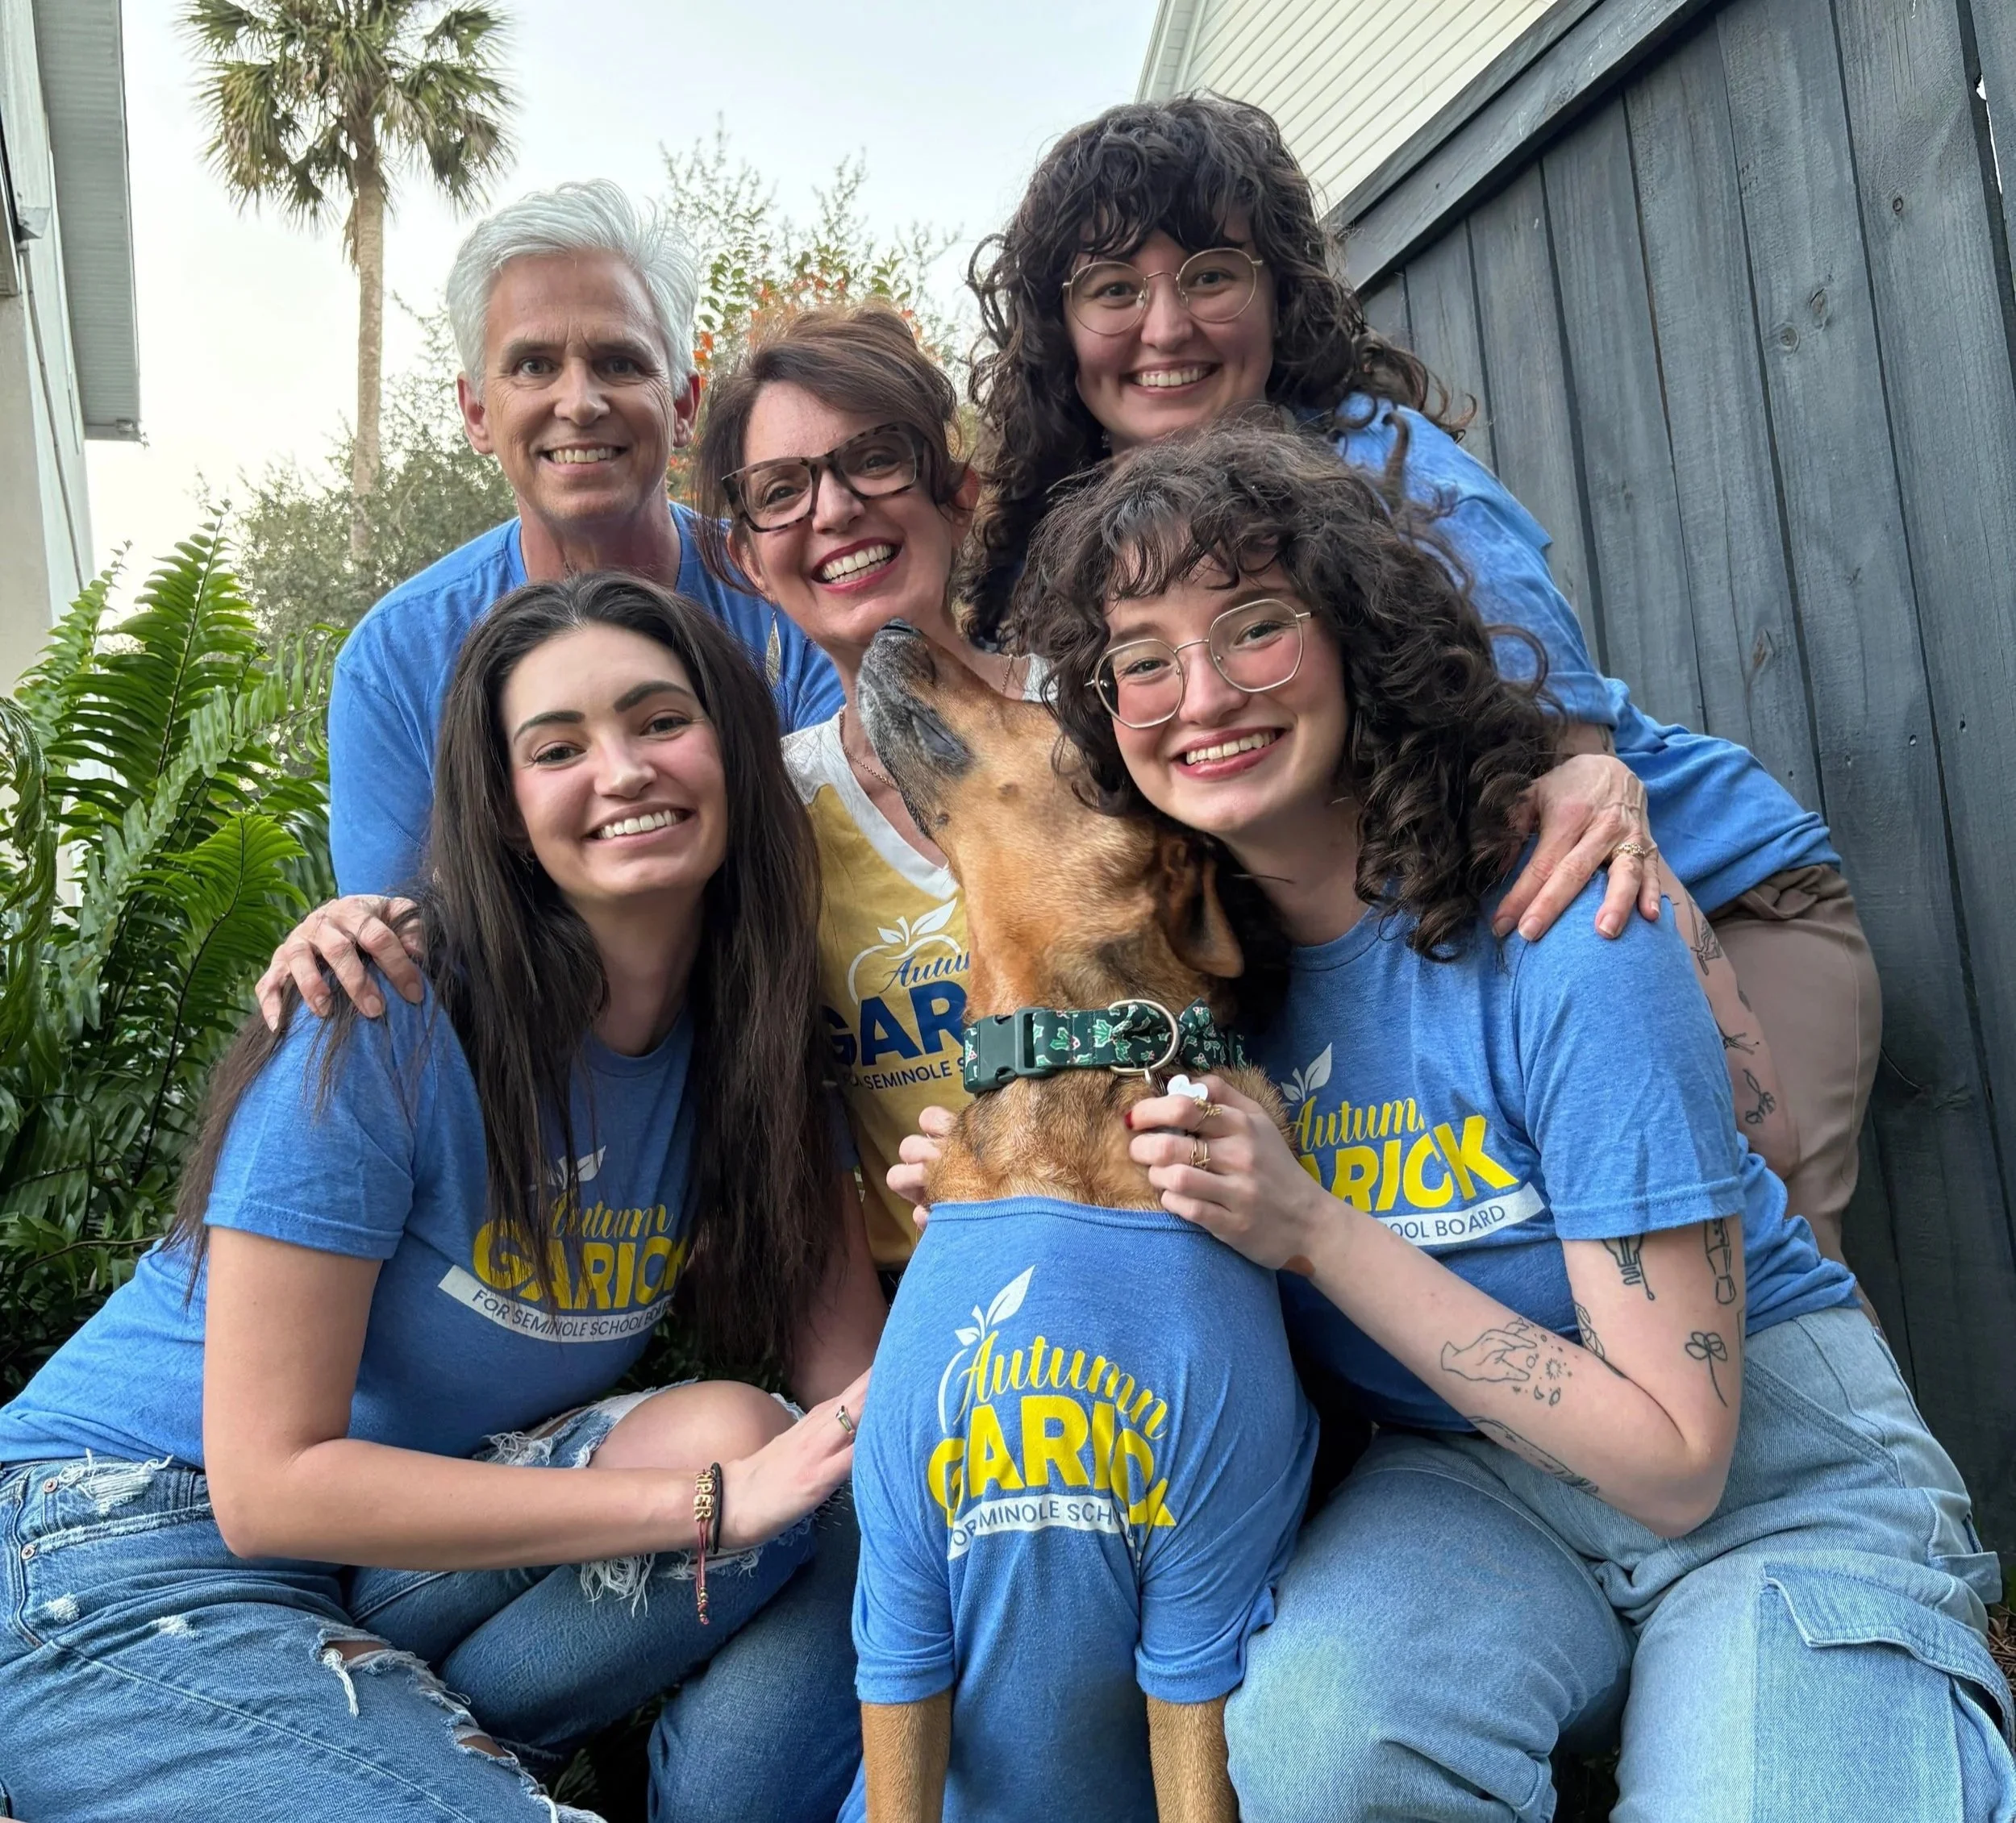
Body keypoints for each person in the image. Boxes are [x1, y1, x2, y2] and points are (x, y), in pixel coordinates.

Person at [1004, 421, 2011, 1821]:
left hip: (1766, 1483)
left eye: (1255, 627)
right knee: (1321, 1747)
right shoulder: (1192, 979)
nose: (1204, 694)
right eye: (1143, 660)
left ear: (1358, 636)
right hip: (1472, 1494)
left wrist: (1316, 1228)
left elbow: (1676, 1461)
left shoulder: (1564, 915)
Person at [0, 576, 881, 1822]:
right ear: (510, 813)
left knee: (778, 1455)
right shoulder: (383, 1014)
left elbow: (858, 1416)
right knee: (731, 1484)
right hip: (122, 1537)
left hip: (384, 1564)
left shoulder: (752, 1053)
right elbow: (269, 1487)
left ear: (736, 752)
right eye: (559, 748)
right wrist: (704, 1508)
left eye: (659, 721)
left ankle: (361, 1757)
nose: (622, 770)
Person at [966, 95, 1876, 1265]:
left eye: (1209, 275)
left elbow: (1579, 790)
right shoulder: (1086, 539)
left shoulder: (1385, 471)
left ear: (1278, 291)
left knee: (1760, 1248)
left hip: (1699, 892)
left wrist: (1740, 1082)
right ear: (1058, 327)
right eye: (1112, 290)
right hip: (1451, 967)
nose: (1165, 327)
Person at [328, 178, 843, 901]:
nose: (580, 402)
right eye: (534, 366)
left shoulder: (790, 594)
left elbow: (865, 871)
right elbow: (396, 957)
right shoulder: (396, 662)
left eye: (620, 362)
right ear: (477, 412)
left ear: (683, 403)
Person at [687, 305, 1029, 1276]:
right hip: (934, 1308)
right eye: (779, 490)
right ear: (749, 557)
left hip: (1164, 1254)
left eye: (875, 457)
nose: (832, 510)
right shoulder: (770, 815)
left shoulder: (1103, 717)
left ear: (956, 491)